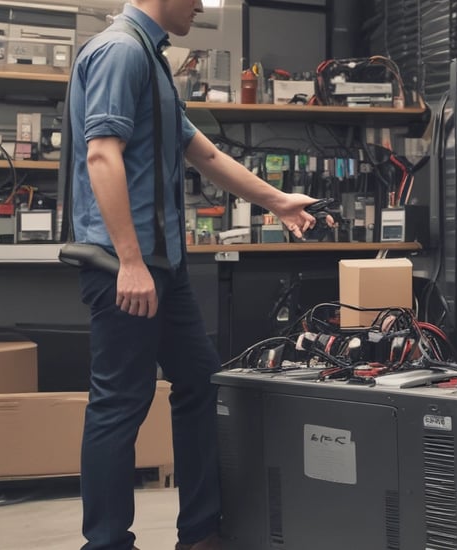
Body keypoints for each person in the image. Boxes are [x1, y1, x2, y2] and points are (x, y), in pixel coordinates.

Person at [68, 1, 325, 549]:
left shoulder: (150, 57)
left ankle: (201, 533)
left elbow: (202, 152)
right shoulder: (120, 51)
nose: (202, 5)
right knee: (120, 405)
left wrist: (277, 201)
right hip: (128, 268)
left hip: (164, 268)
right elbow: (101, 157)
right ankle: (108, 543)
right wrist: (131, 263)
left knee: (200, 384)